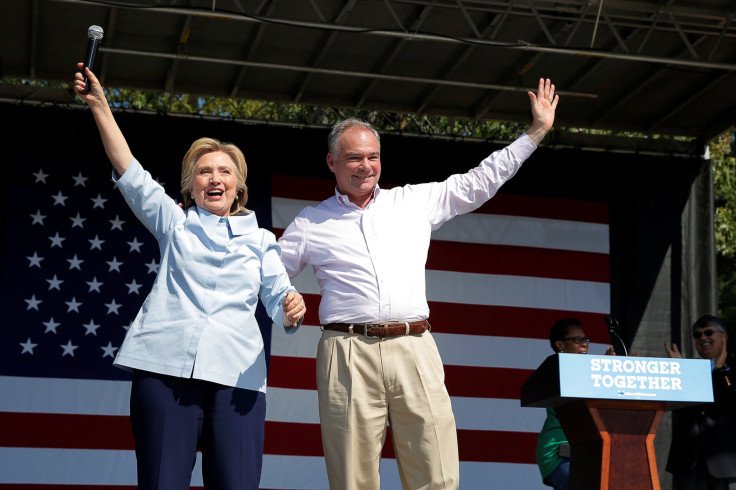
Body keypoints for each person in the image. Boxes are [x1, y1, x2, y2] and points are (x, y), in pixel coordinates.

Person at [277, 78, 559, 489]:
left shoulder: (412, 201)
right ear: (331, 162)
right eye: (354, 157)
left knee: (436, 472)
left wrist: (535, 133)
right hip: (347, 351)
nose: (366, 166)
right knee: (352, 478)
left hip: (414, 346)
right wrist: (283, 294)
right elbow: (268, 273)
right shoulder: (310, 221)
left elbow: (479, 182)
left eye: (373, 156)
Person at [74, 64, 306, 490]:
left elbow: (279, 298)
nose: (214, 178)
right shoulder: (174, 223)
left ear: (239, 187)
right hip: (162, 374)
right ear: (190, 185)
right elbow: (130, 172)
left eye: (224, 172)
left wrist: (291, 309)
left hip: (238, 380)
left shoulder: (260, 241)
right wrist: (100, 106)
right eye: (204, 171)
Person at [535, 318, 615, 490]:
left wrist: (608, 370)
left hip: (583, 451)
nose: (585, 344)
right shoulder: (556, 369)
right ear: (560, 345)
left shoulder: (586, 370)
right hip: (559, 453)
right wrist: (602, 369)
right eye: (577, 340)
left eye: (585, 339)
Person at [664, 314, 736, 490]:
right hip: (688, 462)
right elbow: (669, 402)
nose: (703, 338)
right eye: (697, 335)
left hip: (726, 463)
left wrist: (720, 371)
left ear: (723, 337)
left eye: (708, 332)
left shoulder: (733, 369)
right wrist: (680, 372)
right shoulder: (688, 368)